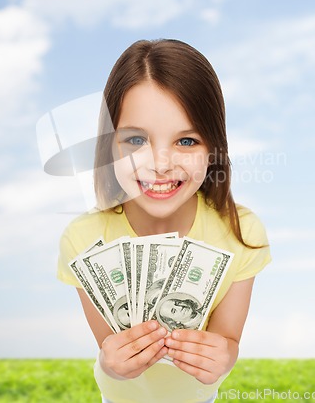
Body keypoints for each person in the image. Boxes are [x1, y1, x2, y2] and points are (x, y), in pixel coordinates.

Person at [57, 39, 271, 403]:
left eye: (186, 141)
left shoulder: (242, 233)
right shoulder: (83, 240)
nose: (160, 163)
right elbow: (109, 350)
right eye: (136, 139)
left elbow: (228, 342)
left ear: (213, 147)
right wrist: (112, 365)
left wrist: (224, 356)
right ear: (110, 144)